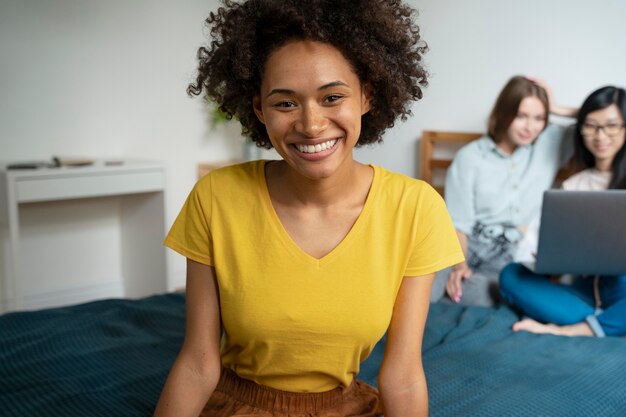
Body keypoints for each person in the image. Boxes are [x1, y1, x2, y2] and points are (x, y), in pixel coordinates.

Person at [153, 1, 464, 416]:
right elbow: (197, 363)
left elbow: (403, 374)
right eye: (285, 104)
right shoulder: (217, 197)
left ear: (367, 96)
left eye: (332, 97)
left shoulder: (416, 208)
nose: (311, 125)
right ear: (259, 109)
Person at [430, 76, 577, 307]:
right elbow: (458, 224)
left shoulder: (550, 143)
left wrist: (556, 107)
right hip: (464, 245)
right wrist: (460, 266)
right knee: (424, 283)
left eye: (539, 118)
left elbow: (597, 118)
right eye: (521, 116)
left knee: (482, 291)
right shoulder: (469, 157)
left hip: (509, 253)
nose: (530, 127)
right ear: (504, 113)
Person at [499, 85, 626, 337]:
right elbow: (560, 261)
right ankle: (605, 323)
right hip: (583, 294)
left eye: (612, 125)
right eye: (590, 125)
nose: (600, 136)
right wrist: (548, 258)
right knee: (511, 275)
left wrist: (557, 108)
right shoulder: (573, 186)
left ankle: (577, 329)